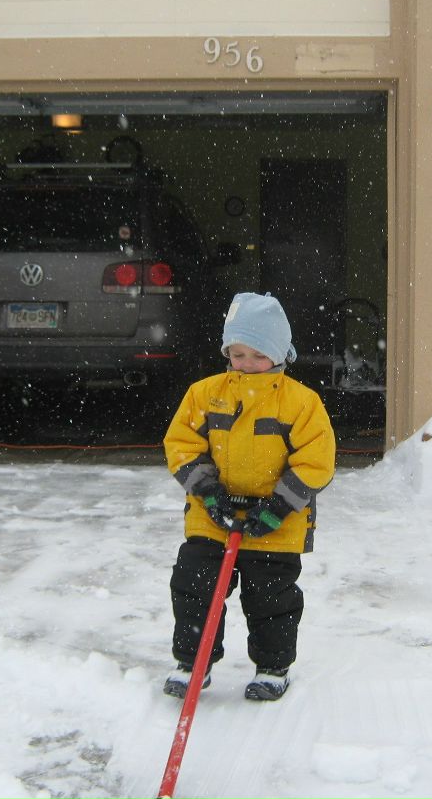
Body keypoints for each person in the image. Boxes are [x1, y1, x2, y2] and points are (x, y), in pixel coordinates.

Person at [162, 292, 336, 701]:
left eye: (258, 354)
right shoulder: (205, 394)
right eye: (237, 353)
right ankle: (193, 663)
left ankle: (273, 666)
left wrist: (276, 507)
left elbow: (316, 461)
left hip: (277, 521)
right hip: (213, 515)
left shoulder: (300, 402)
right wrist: (207, 492)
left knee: (270, 597)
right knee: (194, 585)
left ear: (280, 353)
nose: (246, 363)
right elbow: (182, 444)